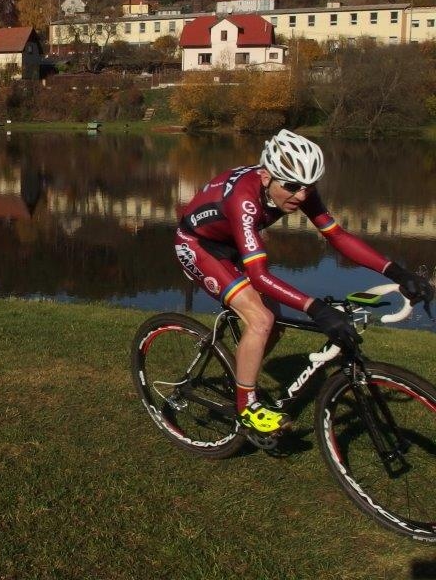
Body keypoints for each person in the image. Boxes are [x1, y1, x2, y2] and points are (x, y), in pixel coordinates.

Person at [174, 129, 433, 435]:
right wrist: (316, 309)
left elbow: (337, 237)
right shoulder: (244, 199)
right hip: (199, 246)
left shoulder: (297, 188)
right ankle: (247, 409)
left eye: (308, 188)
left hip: (232, 243)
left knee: (275, 324)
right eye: (292, 187)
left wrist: (398, 273)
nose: (300, 196)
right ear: (267, 176)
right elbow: (259, 275)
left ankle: (240, 377)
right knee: (261, 319)